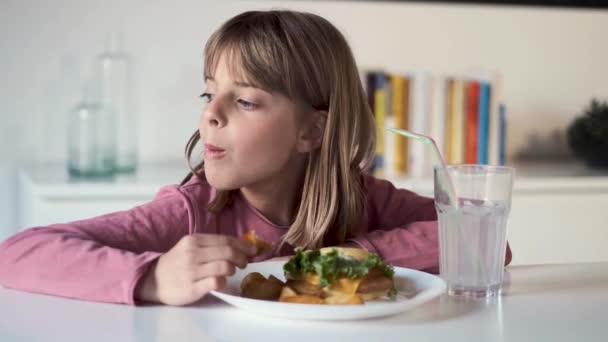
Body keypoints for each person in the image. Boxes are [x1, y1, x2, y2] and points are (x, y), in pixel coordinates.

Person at [0, 10, 511, 306]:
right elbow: (18, 252)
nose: (211, 117)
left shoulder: (363, 201)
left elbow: (484, 241)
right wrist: (153, 277)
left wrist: (341, 259)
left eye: (244, 101)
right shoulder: (195, 210)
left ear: (312, 129)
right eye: (208, 96)